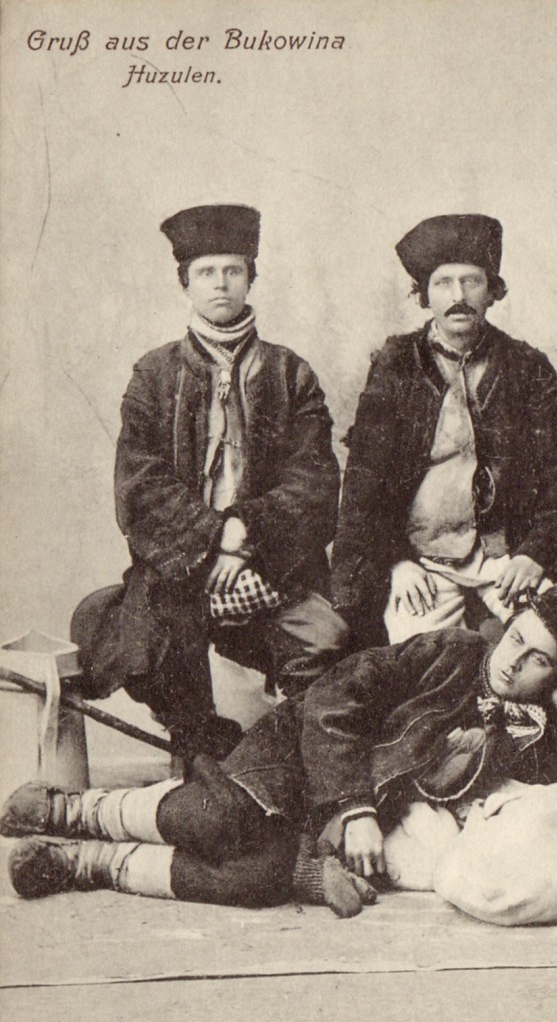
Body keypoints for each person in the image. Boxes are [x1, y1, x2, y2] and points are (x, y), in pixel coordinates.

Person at [2, 579, 557, 921]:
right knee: (226, 819)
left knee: (257, 876)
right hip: (308, 749)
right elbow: (336, 700)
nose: (513, 663)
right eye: (518, 638)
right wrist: (352, 808)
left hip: (351, 815)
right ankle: (72, 811)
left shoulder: (541, 727)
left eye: (539, 662)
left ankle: (82, 864)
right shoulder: (453, 652)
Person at [70, 204, 348, 763]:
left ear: (250, 278)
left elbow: (314, 478)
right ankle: (198, 760)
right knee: (157, 641)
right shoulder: (154, 374)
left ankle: (293, 762)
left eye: (232, 270)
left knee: (329, 640)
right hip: (182, 564)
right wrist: (213, 537)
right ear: (186, 284)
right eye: (206, 272)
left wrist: (245, 537)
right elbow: (140, 484)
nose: (220, 283)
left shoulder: (290, 372)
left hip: (268, 561)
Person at [331, 214, 557, 649]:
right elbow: (365, 482)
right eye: (443, 283)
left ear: (491, 291)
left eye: (471, 281)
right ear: (424, 295)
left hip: (507, 558)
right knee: (422, 665)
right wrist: (396, 562)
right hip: (424, 562)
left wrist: (536, 553)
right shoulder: (397, 365)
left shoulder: (526, 367)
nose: (458, 296)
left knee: (555, 646)